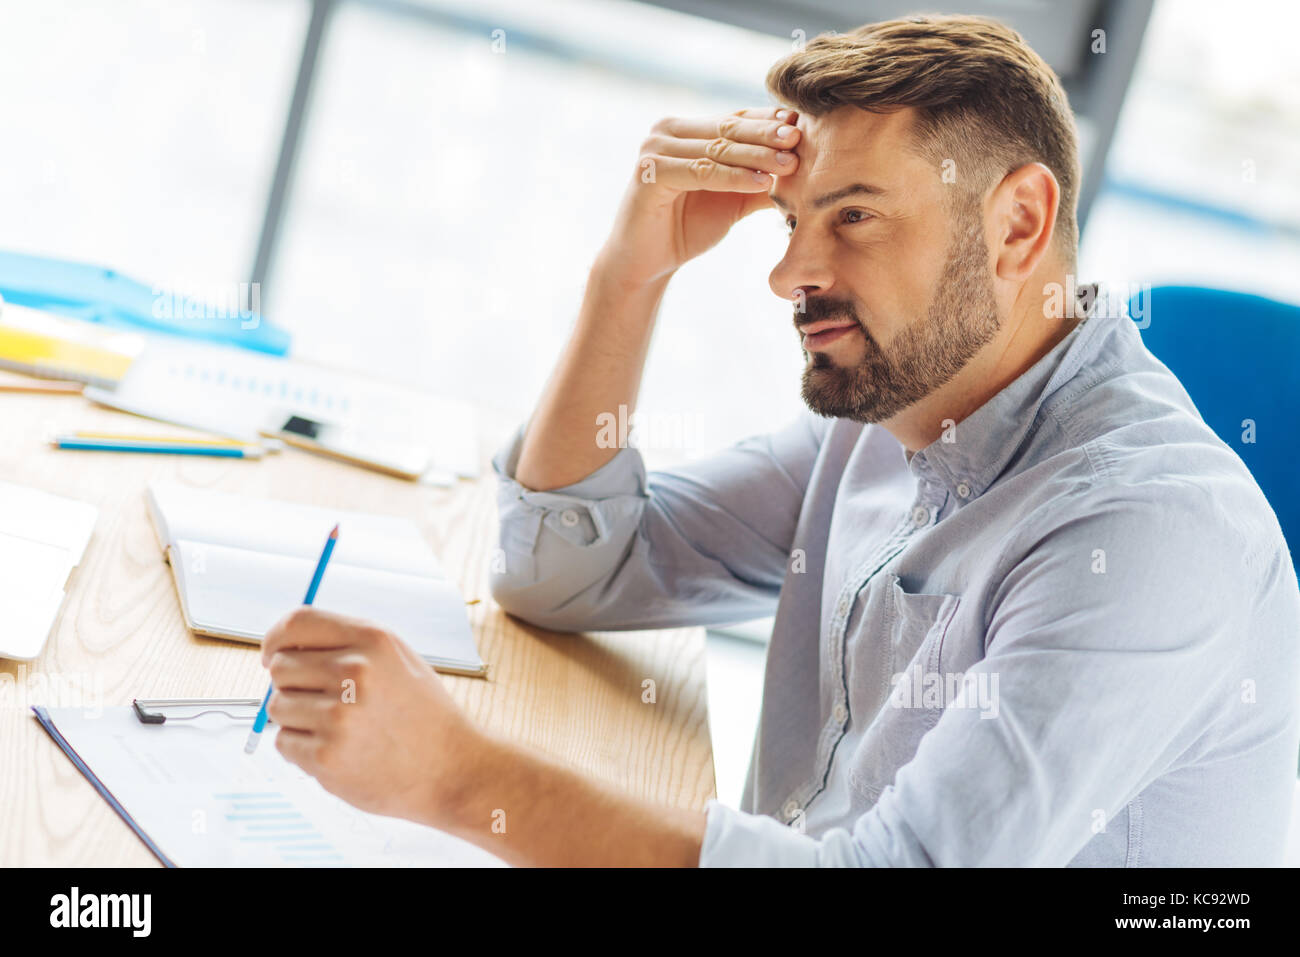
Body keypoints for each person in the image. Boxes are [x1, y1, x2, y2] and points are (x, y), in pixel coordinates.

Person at [261, 14, 1300, 866]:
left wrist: (458, 778)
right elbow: (568, 569)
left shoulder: (1150, 536)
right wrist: (630, 272)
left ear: (1018, 225)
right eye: (787, 222)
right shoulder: (900, 416)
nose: (786, 274)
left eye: (852, 217)